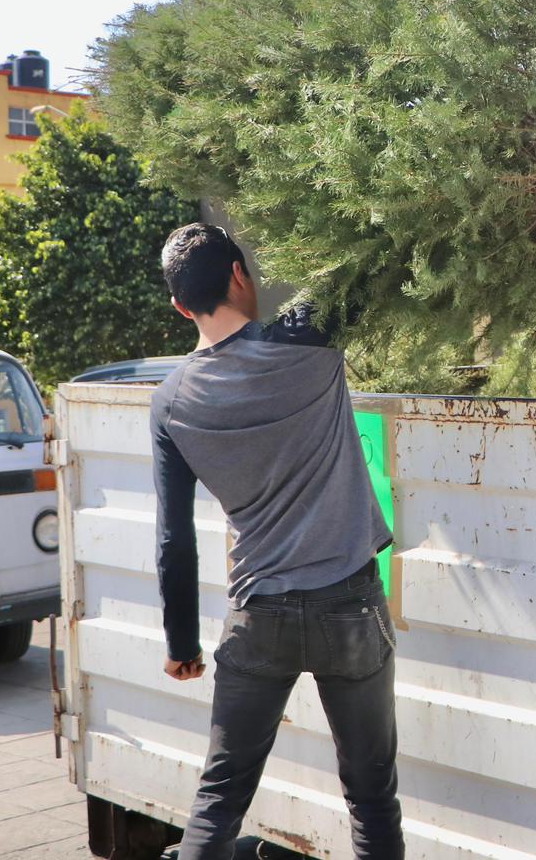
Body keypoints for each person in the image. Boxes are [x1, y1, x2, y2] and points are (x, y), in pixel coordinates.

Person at [150, 223, 401, 859]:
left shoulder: (171, 400)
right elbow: (373, 246)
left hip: (257, 615)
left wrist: (182, 642)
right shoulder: (307, 338)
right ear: (241, 274)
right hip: (350, 605)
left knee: (218, 801)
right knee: (371, 800)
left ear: (181, 306)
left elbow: (174, 537)